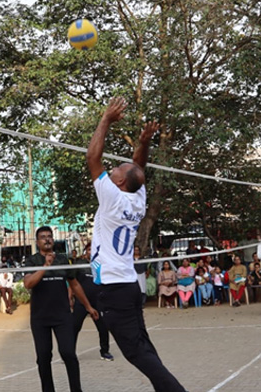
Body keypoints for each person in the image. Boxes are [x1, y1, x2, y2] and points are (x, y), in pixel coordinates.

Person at [86, 97, 186, 392]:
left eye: (116, 168)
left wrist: (105, 118)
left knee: (136, 352)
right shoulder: (136, 197)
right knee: (144, 347)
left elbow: (93, 158)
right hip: (128, 285)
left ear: (117, 183)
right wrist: (144, 142)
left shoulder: (113, 198)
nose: (113, 168)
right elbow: (138, 168)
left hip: (115, 289)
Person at [24, 226, 98, 392]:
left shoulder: (63, 260)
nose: (47, 239)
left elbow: (75, 284)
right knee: (43, 357)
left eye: (49, 236)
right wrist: (45, 265)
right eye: (43, 237)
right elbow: (28, 284)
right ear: (37, 242)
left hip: (62, 316)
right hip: (40, 317)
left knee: (68, 354)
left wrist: (88, 306)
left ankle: (76, 389)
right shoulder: (31, 261)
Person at [72, 243, 113, 362]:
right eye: (89, 249)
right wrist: (70, 296)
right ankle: (70, 353)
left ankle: (105, 351)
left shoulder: (102, 265)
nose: (91, 251)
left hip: (98, 301)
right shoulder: (79, 265)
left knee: (103, 327)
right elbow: (72, 282)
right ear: (86, 251)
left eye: (93, 249)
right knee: (74, 327)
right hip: (81, 301)